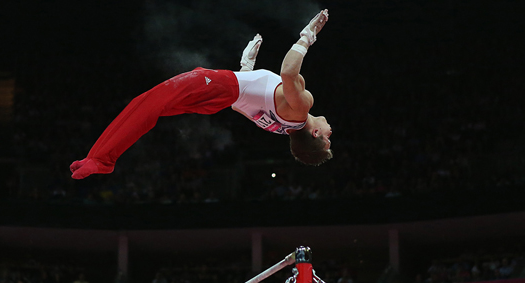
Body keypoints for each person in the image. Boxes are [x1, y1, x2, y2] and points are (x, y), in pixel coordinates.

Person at [70, 10, 333, 180]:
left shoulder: (301, 107)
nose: (331, 130)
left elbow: (288, 72)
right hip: (220, 98)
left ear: (315, 134)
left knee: (148, 103)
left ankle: (101, 160)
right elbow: (240, 106)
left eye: (328, 139)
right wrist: (245, 69)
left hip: (218, 87)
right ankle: (98, 158)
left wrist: (307, 37)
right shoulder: (279, 128)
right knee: (148, 106)